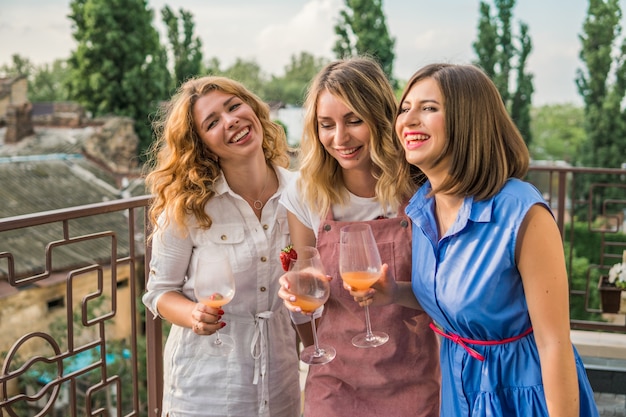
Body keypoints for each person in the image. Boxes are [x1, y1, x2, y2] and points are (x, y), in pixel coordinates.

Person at [355, 62, 600, 416]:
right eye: (404, 109)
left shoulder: (521, 212)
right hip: (459, 391)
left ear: (469, 120)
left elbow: (554, 344)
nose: (408, 120)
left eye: (429, 108)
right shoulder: (423, 207)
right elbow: (459, 300)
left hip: (525, 397)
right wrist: (395, 293)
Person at [278, 56, 441, 417]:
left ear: (381, 119)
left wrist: (395, 292)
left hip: (414, 376)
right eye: (326, 124)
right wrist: (299, 295)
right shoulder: (305, 194)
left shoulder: (422, 189)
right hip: (335, 384)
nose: (340, 138)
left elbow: (444, 292)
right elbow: (308, 301)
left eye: (354, 120)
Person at [142, 76, 301, 417]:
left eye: (234, 107)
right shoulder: (187, 207)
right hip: (207, 388)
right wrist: (192, 315)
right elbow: (159, 293)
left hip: (281, 381)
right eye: (212, 122)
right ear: (202, 145)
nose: (230, 121)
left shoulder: (300, 193)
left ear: (254, 110)